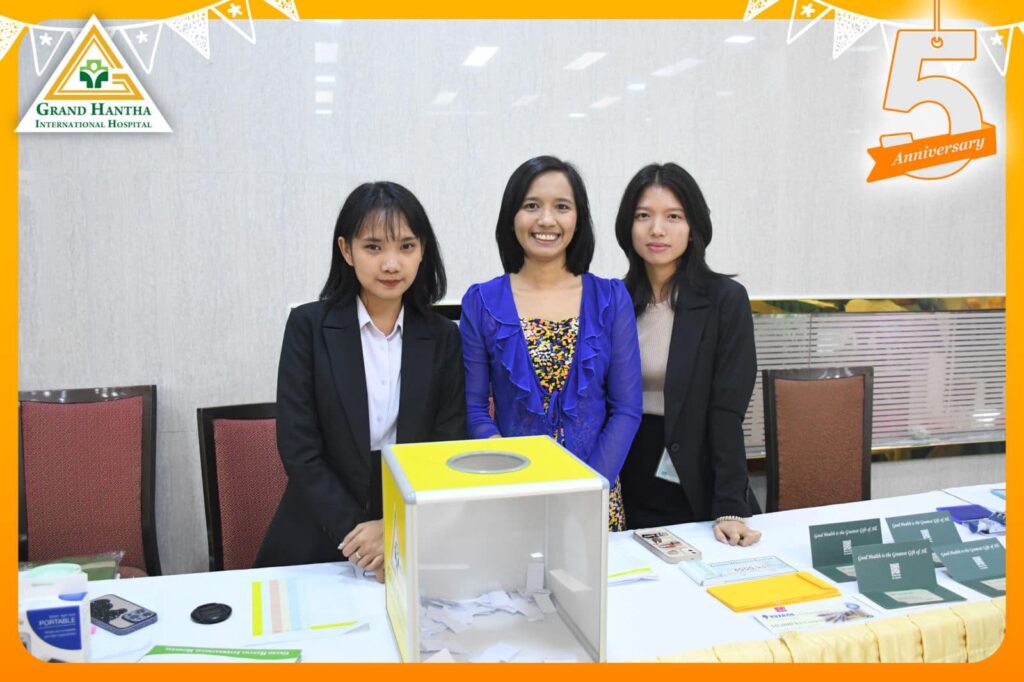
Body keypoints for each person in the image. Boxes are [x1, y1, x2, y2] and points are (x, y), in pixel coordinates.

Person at [255, 181, 466, 577]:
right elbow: (300, 449)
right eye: (373, 247)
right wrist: (365, 539)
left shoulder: (443, 337)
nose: (391, 264)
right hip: (319, 528)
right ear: (346, 250)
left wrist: (396, 528)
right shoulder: (308, 326)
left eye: (406, 246)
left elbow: (447, 446)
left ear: (422, 251)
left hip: (414, 526)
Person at [460, 155, 642, 531]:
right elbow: (476, 410)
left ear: (578, 218)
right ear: (512, 216)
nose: (546, 220)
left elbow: (626, 409)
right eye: (531, 206)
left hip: (594, 500)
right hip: (513, 499)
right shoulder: (481, 302)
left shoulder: (611, 298)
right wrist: (513, 478)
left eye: (561, 206)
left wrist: (588, 488)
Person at [614, 163, 762, 546]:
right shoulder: (613, 300)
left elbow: (727, 411)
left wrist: (729, 506)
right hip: (626, 478)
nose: (657, 229)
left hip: (696, 481)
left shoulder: (724, 300)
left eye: (673, 216)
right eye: (643, 216)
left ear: (693, 226)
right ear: (628, 226)